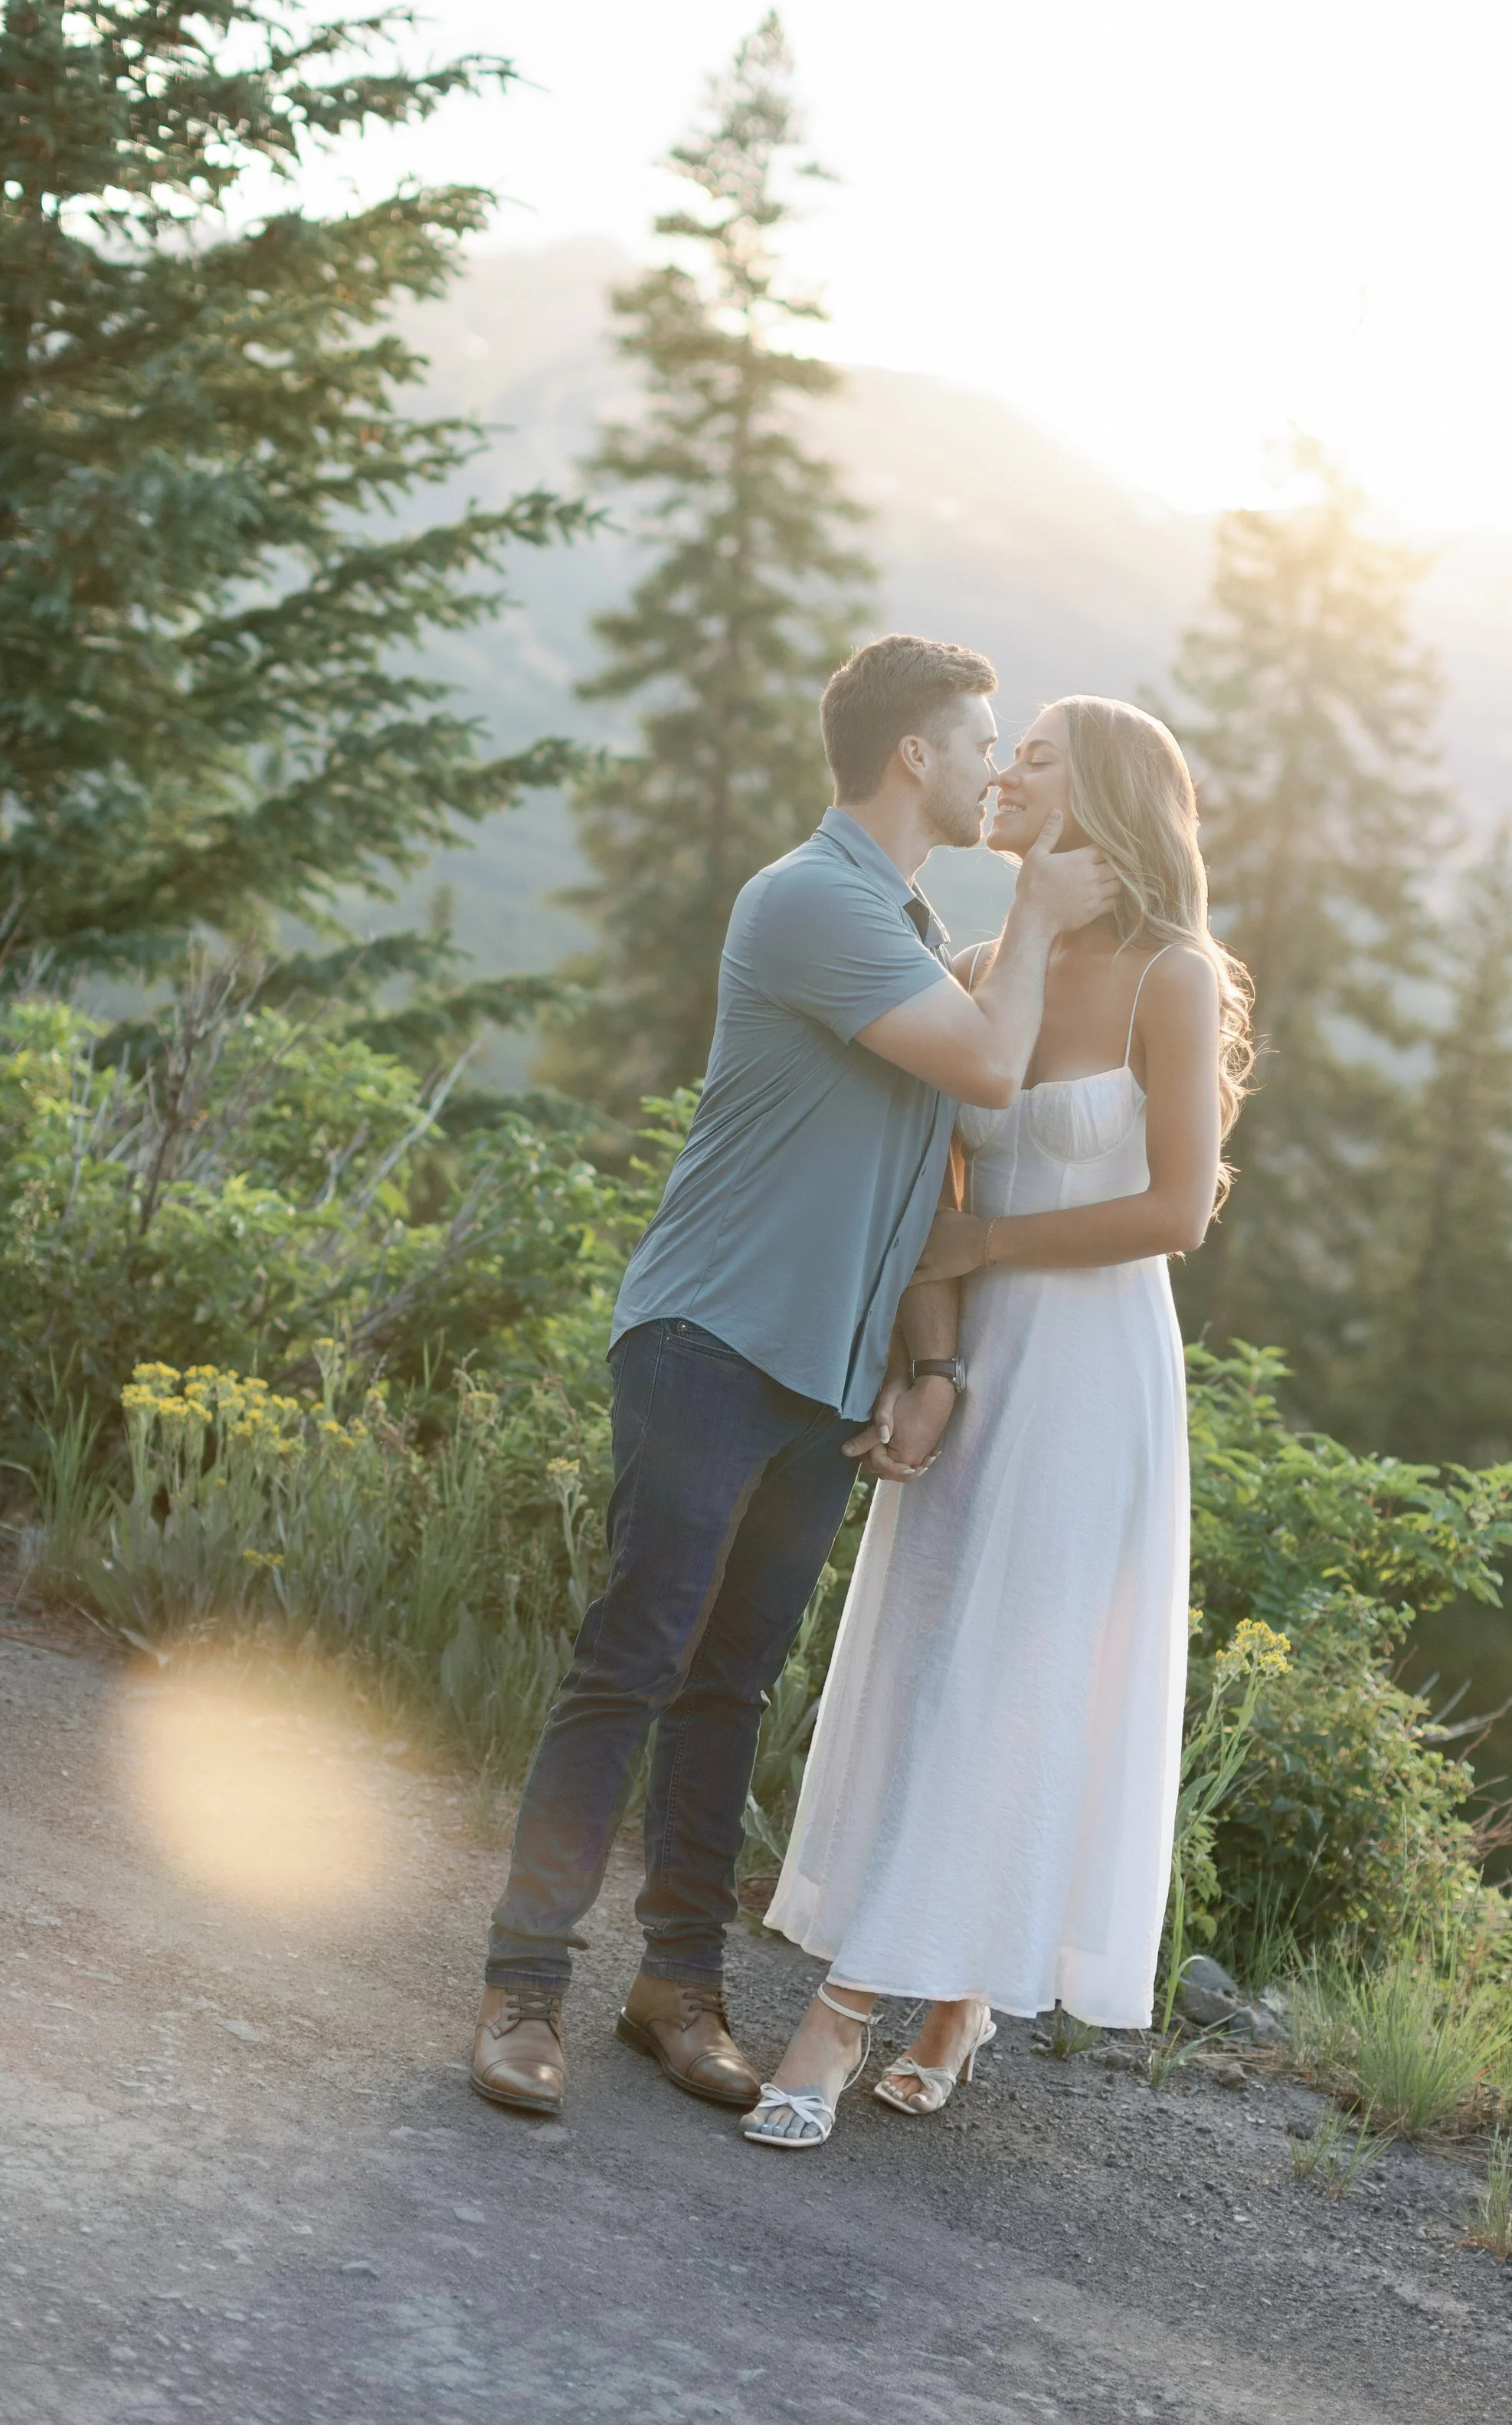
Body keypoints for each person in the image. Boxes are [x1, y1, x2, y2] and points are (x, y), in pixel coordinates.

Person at [470, 636, 1119, 2116]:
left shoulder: (896, 918)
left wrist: (923, 1365)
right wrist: (1032, 909)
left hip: (823, 1378)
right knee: (634, 1664)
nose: (993, 766)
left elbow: (920, 1181)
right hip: (711, 1343)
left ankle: (674, 1991)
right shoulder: (814, 901)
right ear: (915, 756)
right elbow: (988, 1071)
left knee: (730, 1686)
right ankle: (522, 1990)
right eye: (980, 742)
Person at [745, 696, 1254, 2149]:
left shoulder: (1170, 971)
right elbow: (940, 1196)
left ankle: (847, 2014)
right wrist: (933, 1357)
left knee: (1015, 1673)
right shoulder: (984, 965)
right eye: (1005, 749)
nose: (1005, 772)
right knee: (936, 1652)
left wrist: (990, 1257)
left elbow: (1177, 1211)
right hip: (973, 1361)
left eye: (1033, 755)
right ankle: (954, 1997)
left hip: (1094, 1368)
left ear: (1098, 794)